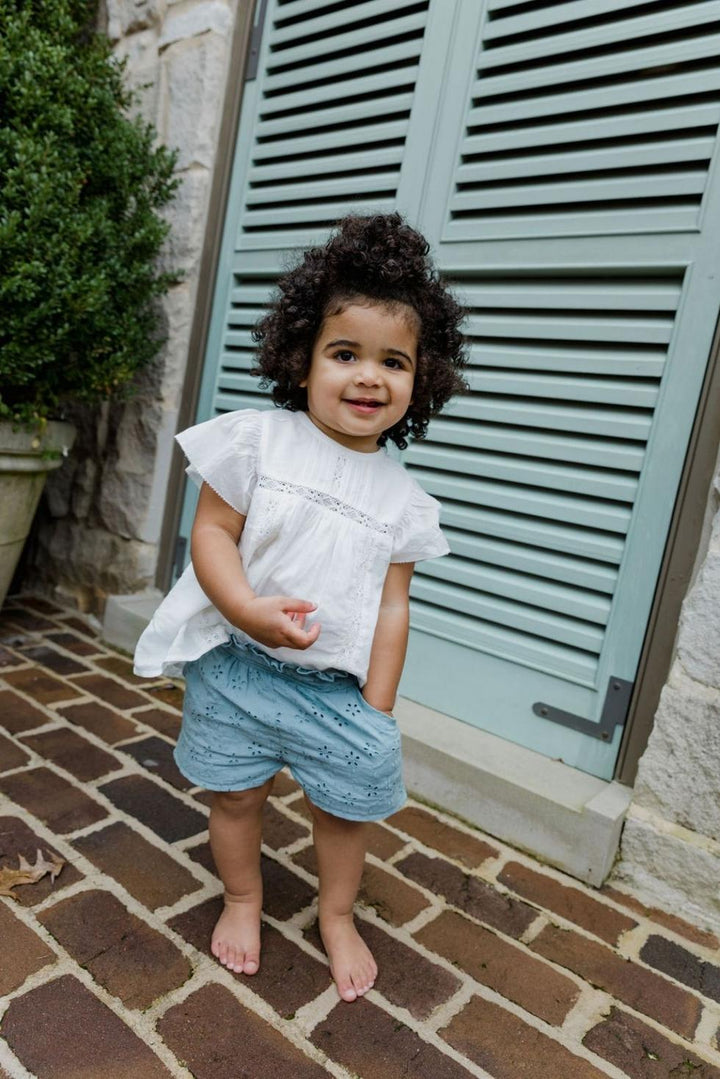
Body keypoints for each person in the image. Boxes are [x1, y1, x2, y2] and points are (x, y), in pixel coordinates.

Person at [134, 212, 467, 1002]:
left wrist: (377, 706)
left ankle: (337, 913)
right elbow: (211, 533)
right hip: (241, 666)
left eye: (393, 361)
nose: (368, 377)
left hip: (338, 693)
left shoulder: (404, 501)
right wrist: (246, 608)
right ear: (302, 357)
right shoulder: (258, 441)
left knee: (345, 812)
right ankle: (242, 896)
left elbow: (393, 607)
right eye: (345, 353)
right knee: (236, 795)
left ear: (421, 378)